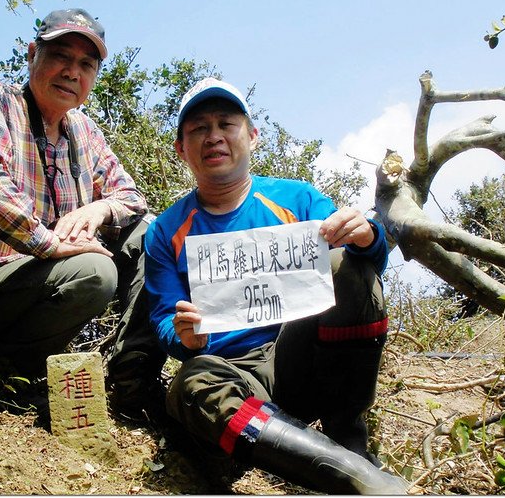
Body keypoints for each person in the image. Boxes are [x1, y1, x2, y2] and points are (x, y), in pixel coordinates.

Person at [144, 77, 410, 494]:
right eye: (198, 128)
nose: (213, 136)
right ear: (181, 148)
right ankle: (356, 477)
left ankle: (348, 436)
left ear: (252, 136)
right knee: (191, 384)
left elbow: (371, 268)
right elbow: (163, 318)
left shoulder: (298, 199)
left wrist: (368, 237)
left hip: (304, 359)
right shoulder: (165, 230)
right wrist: (185, 339)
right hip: (235, 373)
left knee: (346, 261)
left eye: (225, 124)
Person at [0, 8, 166, 412]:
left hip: (46, 279)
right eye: (60, 56)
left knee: (155, 234)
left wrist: (101, 210)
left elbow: (130, 196)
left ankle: (132, 376)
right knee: (95, 273)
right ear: (32, 54)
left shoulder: (85, 131)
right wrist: (48, 243)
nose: (72, 72)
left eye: (86, 64)